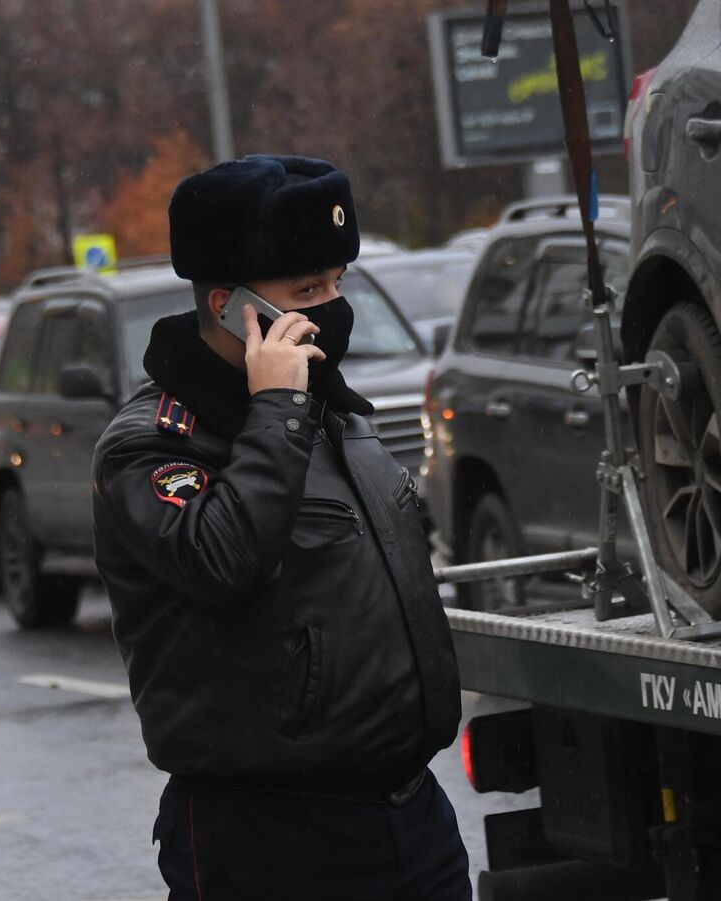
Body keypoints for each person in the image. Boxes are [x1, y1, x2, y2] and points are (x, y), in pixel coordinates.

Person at [92, 154, 467, 900]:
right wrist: (277, 410)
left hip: (408, 815)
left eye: (335, 283)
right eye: (306, 291)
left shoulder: (332, 414)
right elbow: (223, 559)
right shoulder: (153, 444)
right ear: (230, 304)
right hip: (269, 834)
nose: (331, 306)